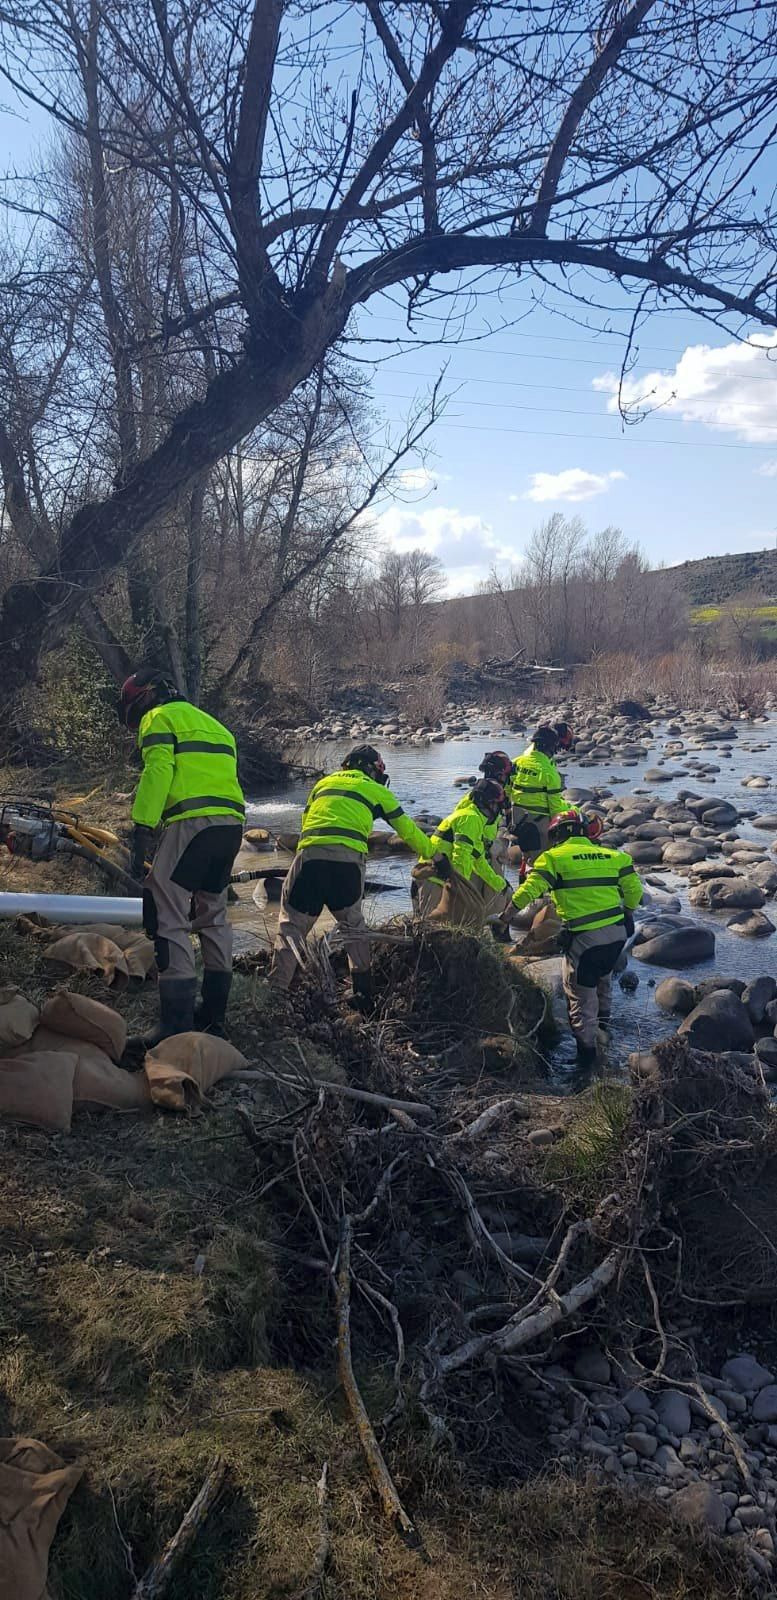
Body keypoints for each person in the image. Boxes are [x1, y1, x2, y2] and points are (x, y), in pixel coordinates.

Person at [120, 666, 245, 1041]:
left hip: (193, 823)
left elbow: (159, 769)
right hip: (231, 825)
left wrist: (142, 825)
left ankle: (175, 1026)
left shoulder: (159, 717)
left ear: (144, 698)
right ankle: (213, 1018)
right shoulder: (213, 724)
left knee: (167, 909)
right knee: (213, 913)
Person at [270, 745, 434, 1003]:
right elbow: (409, 832)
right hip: (347, 865)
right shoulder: (376, 790)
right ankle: (363, 994)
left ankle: (274, 996)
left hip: (309, 859)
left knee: (290, 927)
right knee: (353, 927)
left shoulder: (322, 784)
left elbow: (306, 823)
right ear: (372, 769)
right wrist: (435, 856)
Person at [503, 808, 643, 1066]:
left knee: (580, 999)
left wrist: (507, 916)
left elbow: (530, 889)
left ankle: (586, 1060)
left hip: (585, 941)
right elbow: (635, 890)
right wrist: (629, 911)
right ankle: (606, 1029)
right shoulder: (615, 856)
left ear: (557, 834)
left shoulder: (553, 858)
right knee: (604, 980)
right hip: (616, 937)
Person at [413, 779, 513, 929]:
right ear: (489, 804)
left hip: (442, 881)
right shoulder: (469, 819)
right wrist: (461, 890)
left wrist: (501, 885)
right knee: (432, 932)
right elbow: (461, 856)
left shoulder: (474, 818)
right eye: (498, 805)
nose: (499, 811)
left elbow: (478, 860)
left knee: (448, 931)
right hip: (435, 882)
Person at [505, 724, 571, 858]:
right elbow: (555, 807)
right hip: (539, 820)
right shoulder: (549, 772)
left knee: (526, 854)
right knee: (542, 859)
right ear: (552, 747)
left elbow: (507, 789)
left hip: (518, 817)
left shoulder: (517, 762)